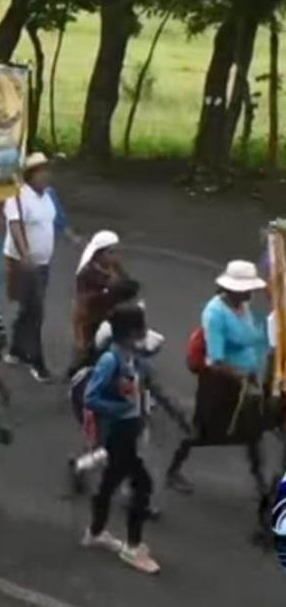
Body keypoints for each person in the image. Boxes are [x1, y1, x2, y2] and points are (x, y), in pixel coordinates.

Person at [166, 261, 272, 509]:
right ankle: (173, 471)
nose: (250, 294)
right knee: (201, 433)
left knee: (252, 432)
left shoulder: (243, 307)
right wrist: (242, 377)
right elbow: (215, 360)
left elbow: (252, 337)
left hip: (246, 378)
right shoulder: (214, 314)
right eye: (246, 289)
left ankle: (260, 481)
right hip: (219, 384)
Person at [81, 304, 160, 574]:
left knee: (110, 482)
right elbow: (90, 397)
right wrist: (122, 410)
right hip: (119, 433)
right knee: (142, 486)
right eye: (141, 327)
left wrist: (143, 411)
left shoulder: (130, 357)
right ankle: (132, 545)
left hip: (131, 429)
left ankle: (96, 531)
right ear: (130, 332)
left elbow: (139, 387)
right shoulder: (110, 360)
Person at [3, 152, 58, 382]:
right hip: (23, 263)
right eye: (41, 171)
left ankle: (15, 349)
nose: (46, 175)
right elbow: (15, 226)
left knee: (29, 307)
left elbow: (53, 219)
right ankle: (37, 361)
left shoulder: (47, 197)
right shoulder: (17, 197)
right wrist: (25, 255)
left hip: (43, 262)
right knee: (36, 311)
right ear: (30, 175)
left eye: (47, 170)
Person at [70, 231, 131, 376]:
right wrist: (108, 290)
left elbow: (124, 281)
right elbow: (86, 299)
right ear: (99, 254)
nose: (115, 256)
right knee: (86, 352)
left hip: (107, 314)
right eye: (111, 252)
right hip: (89, 317)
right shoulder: (87, 272)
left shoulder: (114, 266)